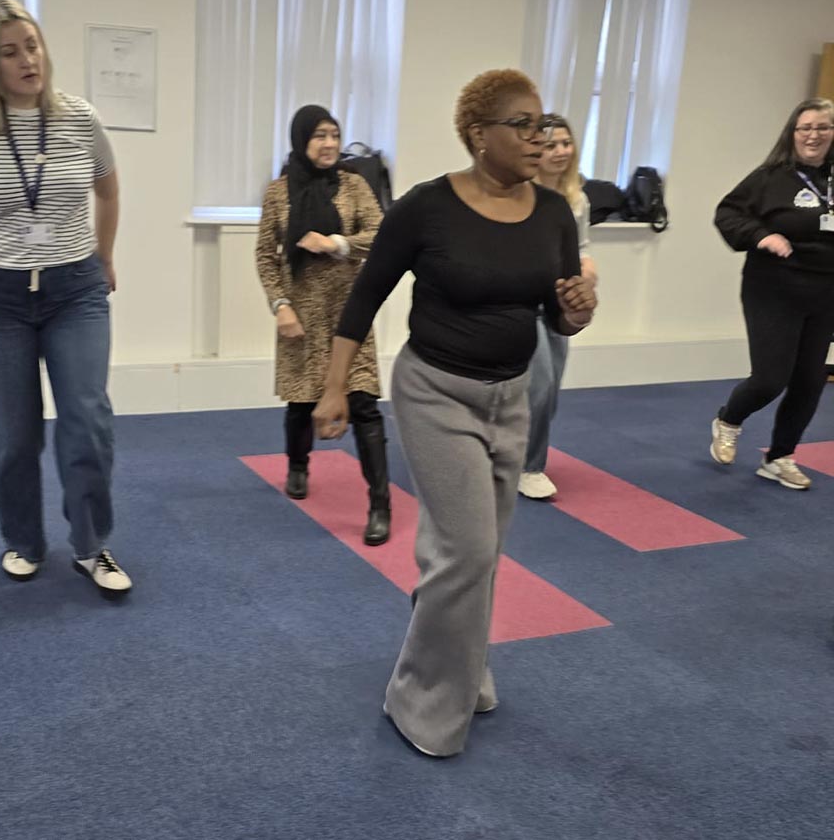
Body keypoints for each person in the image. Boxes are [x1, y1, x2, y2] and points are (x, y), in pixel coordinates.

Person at [312, 70, 597, 757]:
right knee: (468, 549)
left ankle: (462, 663)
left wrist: (578, 312)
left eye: (544, 124)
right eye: (523, 125)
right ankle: (422, 701)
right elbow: (365, 298)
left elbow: (560, 311)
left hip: (512, 391)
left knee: (475, 552)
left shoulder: (555, 212)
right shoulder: (427, 208)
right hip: (435, 391)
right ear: (480, 136)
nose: (541, 138)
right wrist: (331, 388)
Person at [0, 0, 131, 596]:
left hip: (75, 290)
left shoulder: (77, 116)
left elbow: (109, 190)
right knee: (10, 433)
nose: (28, 60)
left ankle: (93, 545)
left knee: (87, 419)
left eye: (34, 45)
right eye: (11, 51)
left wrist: (104, 255)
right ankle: (23, 539)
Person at [255, 104, 391, 546]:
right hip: (301, 314)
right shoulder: (279, 193)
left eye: (334, 134)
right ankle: (298, 464)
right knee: (301, 405)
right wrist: (280, 305)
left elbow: (381, 234)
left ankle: (380, 504)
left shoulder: (354, 186)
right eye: (319, 136)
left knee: (365, 403)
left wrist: (336, 242)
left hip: (349, 313)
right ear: (301, 141)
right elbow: (265, 256)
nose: (329, 143)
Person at [711, 97, 834, 490]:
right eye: (806, 128)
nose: (813, 135)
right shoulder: (771, 177)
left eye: (822, 128)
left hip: (825, 293)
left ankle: (780, 456)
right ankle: (729, 418)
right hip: (774, 288)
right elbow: (727, 213)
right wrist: (762, 235)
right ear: (793, 134)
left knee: (810, 380)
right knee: (770, 378)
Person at [520, 114, 597, 500]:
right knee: (541, 383)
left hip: (560, 306)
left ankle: (520, 454)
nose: (560, 151)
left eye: (565, 143)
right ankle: (529, 467)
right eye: (550, 145)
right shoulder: (520, 195)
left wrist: (587, 267)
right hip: (524, 304)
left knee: (549, 390)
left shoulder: (576, 198)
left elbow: (580, 247)